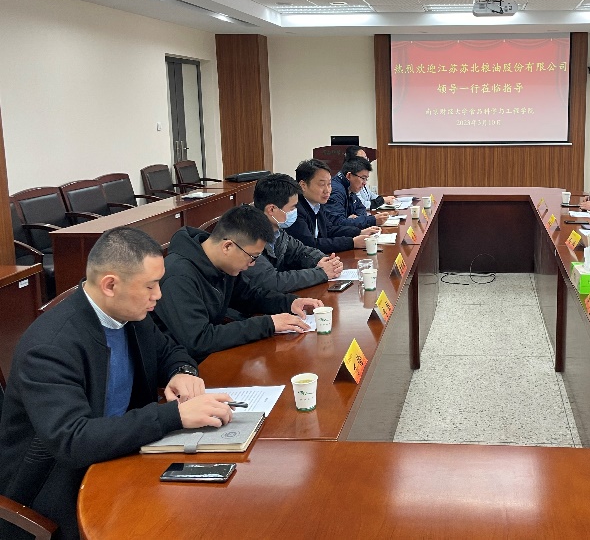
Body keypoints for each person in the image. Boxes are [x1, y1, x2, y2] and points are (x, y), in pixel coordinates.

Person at [0, 227, 234, 540]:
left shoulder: (130, 315)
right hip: (59, 484)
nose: (158, 295)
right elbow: (73, 440)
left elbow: (171, 351)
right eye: (150, 286)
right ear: (110, 285)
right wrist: (174, 415)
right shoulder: (50, 347)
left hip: (123, 452)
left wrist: (182, 372)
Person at [152, 205, 323, 362]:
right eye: (253, 257)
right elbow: (199, 340)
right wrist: (268, 324)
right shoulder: (178, 276)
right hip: (184, 368)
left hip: (213, 355)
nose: (253, 264)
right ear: (227, 246)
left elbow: (248, 296)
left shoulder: (222, 264)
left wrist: (289, 302)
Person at [244, 173, 344, 292]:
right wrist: (321, 273)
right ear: (272, 209)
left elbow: (300, 251)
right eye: (292, 208)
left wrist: (325, 261)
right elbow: (271, 281)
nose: (295, 211)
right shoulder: (247, 237)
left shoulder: (277, 230)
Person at [287, 158, 379, 253]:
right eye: (322, 184)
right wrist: (351, 242)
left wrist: (358, 232)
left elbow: (329, 230)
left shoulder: (317, 204)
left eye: (329, 184)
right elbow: (310, 244)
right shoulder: (294, 210)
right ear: (303, 185)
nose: (327, 190)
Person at [324, 157, 389, 230]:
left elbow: (361, 208)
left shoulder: (349, 186)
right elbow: (338, 224)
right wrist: (371, 220)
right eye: (363, 178)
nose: (364, 183)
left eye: (366, 179)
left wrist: (355, 220)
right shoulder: (336, 191)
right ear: (349, 176)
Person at [345, 145, 395, 210]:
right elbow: (361, 204)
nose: (367, 162)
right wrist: (382, 200)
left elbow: (371, 195)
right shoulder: (352, 179)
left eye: (366, 158)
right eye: (363, 159)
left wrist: (384, 199)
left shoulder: (361, 175)